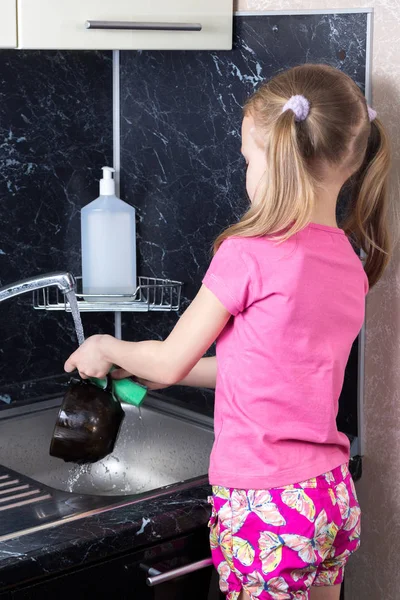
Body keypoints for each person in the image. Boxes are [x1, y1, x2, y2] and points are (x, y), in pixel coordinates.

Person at [65, 64, 391, 599]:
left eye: (247, 159)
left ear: (277, 158)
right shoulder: (348, 261)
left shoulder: (247, 255)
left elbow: (169, 358)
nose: (245, 172)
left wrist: (105, 345)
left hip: (267, 506)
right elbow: (258, 367)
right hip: (329, 496)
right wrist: (139, 365)